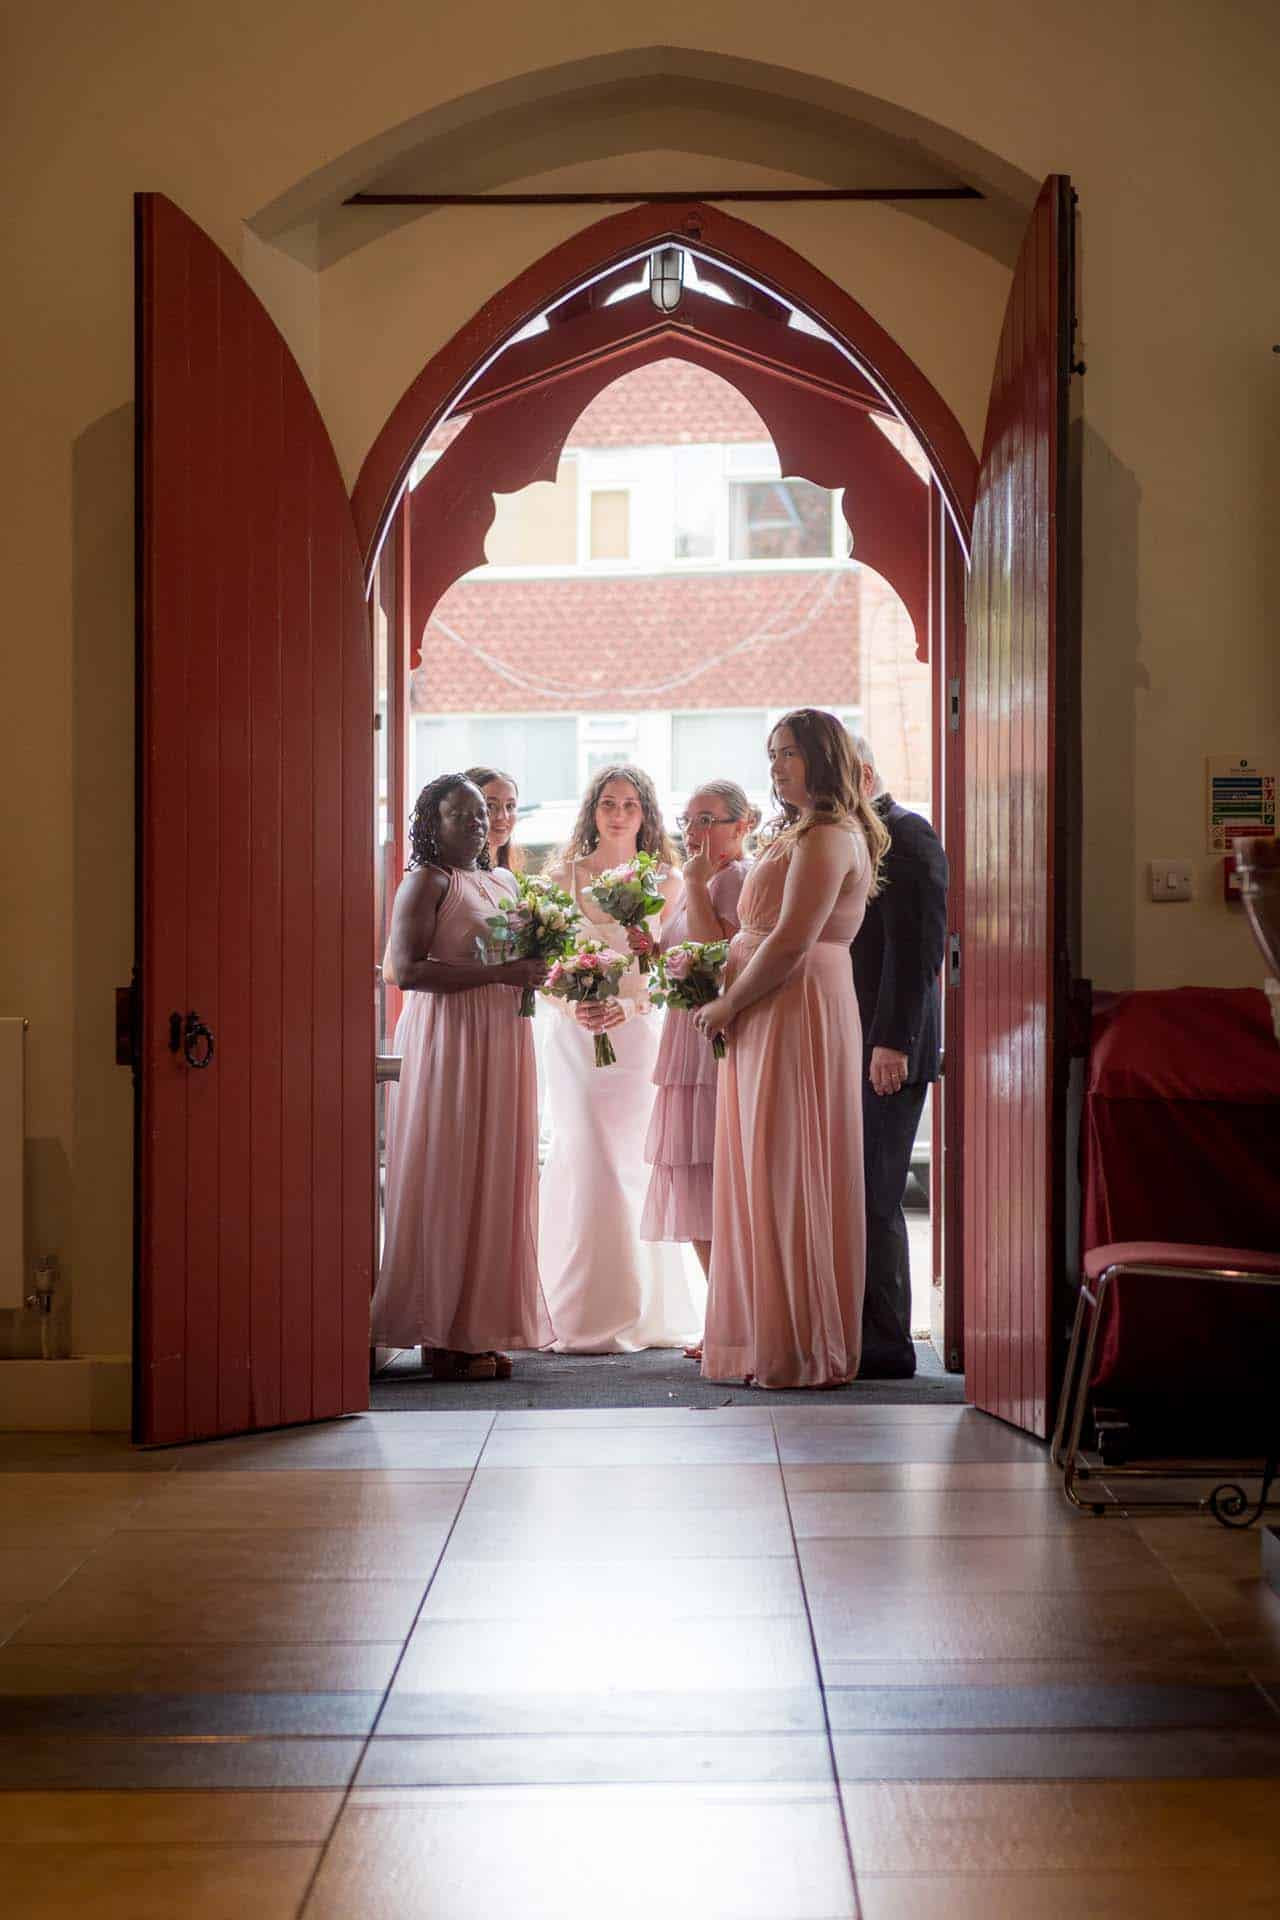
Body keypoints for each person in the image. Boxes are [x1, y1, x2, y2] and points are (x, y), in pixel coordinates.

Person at [694, 711, 889, 1389]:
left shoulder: (832, 834)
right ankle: (760, 1335)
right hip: (770, 1000)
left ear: (822, 758)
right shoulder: (800, 830)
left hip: (797, 1002)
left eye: (790, 755)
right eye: (772, 754)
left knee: (788, 1161)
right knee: (761, 1160)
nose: (776, 767)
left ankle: (798, 1342)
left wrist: (727, 1003)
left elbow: (791, 940)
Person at [371, 773, 554, 1380]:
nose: (477, 825)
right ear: (433, 821)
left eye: (482, 815)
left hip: (502, 1038)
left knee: (495, 1174)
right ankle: (440, 1332)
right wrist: (499, 977)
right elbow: (405, 971)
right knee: (449, 1171)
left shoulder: (501, 878)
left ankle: (480, 1324)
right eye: (461, 815)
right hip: (451, 1037)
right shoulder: (425, 882)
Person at [538, 765, 705, 1352]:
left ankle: (642, 1309)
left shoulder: (668, 880)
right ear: (592, 810)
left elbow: (666, 971)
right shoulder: (562, 876)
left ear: (646, 815)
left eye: (631, 805)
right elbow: (545, 963)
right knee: (587, 1160)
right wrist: (573, 1006)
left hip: (636, 1040)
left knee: (633, 1164)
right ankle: (578, 1308)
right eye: (608, 803)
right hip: (576, 1039)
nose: (618, 814)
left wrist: (627, 1012)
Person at [633, 782, 757, 1351]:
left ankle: (740, 1317)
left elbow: (718, 958)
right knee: (695, 1180)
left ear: (741, 825)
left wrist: (691, 884)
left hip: (715, 1041)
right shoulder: (696, 884)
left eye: (707, 819)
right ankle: (722, 1314)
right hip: (684, 1036)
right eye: (688, 820)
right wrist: (652, 950)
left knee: (719, 1176)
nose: (694, 832)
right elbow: (682, 960)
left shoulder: (732, 879)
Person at [848, 734, 950, 1378]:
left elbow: (915, 951)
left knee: (879, 1195)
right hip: (851, 1039)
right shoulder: (852, 834)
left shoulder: (907, 834)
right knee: (858, 1191)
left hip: (890, 1045)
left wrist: (892, 1042)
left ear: (861, 773)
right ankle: (856, 1332)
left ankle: (887, 1347)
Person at [466, 764, 523, 872]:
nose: (502, 816)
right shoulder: (453, 877)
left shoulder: (509, 870)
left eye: (510, 806)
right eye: (490, 806)